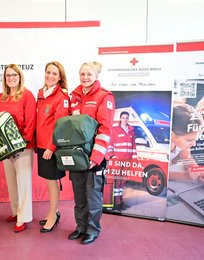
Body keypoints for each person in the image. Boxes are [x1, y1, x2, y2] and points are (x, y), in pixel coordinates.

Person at [68, 61, 115, 245]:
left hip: (95, 157)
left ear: (96, 76)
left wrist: (96, 157)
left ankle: (93, 230)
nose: (85, 78)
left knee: (93, 195)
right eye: (82, 74)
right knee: (79, 195)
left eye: (89, 74)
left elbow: (106, 129)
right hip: (77, 156)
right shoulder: (74, 96)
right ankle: (80, 227)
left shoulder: (105, 97)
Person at [0, 64, 36, 233]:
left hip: (23, 146)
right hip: (6, 147)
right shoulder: (0, 98)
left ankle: (23, 217)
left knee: (23, 182)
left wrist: (23, 142)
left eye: (14, 75)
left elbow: (30, 120)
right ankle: (15, 210)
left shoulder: (27, 95)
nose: (11, 78)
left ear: (20, 76)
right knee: (11, 181)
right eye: (8, 75)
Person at [35, 61, 70, 233]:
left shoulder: (62, 98)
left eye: (54, 73)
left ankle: (53, 215)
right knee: (50, 181)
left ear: (60, 77)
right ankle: (53, 212)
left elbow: (60, 126)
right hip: (41, 145)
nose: (50, 76)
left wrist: (51, 147)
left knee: (52, 182)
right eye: (48, 72)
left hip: (51, 148)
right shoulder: (41, 94)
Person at [169, 104, 204, 188]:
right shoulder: (160, 145)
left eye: (196, 139)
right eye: (189, 140)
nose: (194, 144)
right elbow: (151, 171)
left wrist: (198, 171)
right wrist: (183, 176)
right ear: (171, 134)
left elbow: (187, 158)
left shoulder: (180, 142)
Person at [107, 111, 137, 211]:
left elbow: (133, 147)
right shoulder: (114, 130)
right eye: (123, 118)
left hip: (127, 160)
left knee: (123, 180)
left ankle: (120, 200)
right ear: (120, 119)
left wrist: (134, 159)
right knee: (116, 180)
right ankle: (116, 203)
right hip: (117, 160)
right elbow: (110, 144)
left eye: (127, 118)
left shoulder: (132, 131)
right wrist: (112, 157)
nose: (125, 119)